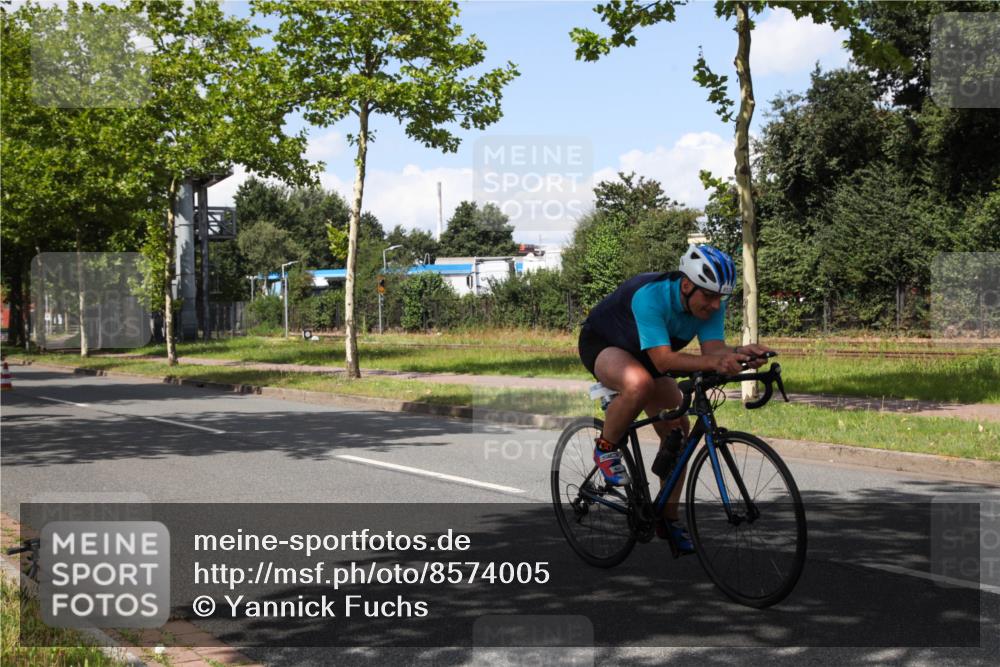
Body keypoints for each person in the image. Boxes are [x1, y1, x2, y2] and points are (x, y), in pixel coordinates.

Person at [577, 243, 773, 552]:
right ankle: (605, 448)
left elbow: (713, 351)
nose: (714, 305)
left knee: (678, 431)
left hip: (649, 353)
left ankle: (667, 518)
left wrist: (741, 353)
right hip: (605, 344)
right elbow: (664, 362)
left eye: (720, 298)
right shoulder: (651, 296)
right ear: (686, 286)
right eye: (708, 296)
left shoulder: (709, 303)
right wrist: (716, 363)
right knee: (638, 384)